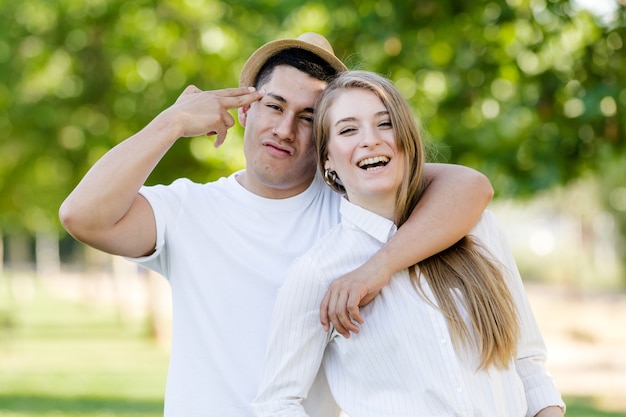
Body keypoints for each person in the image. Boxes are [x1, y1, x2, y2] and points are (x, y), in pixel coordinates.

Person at [58, 34, 493, 417]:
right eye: (274, 106)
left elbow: (469, 187)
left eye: (308, 117)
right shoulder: (189, 208)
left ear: (324, 137)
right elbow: (82, 216)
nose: (285, 129)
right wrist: (172, 122)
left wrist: (378, 266)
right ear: (246, 109)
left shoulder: (354, 207)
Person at [252, 71, 566, 417]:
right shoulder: (319, 272)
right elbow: (276, 403)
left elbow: (528, 364)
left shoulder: (478, 229)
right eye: (348, 129)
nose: (370, 140)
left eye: (385, 124)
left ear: (406, 138)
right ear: (327, 159)